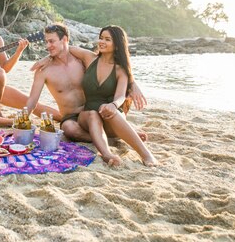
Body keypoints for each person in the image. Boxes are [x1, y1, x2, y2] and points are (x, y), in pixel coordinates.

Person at [25, 23, 158, 167]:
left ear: (64, 40)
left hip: (98, 111)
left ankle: (136, 146)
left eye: (51, 41)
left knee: (100, 113)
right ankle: (116, 140)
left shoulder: (82, 60)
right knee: (71, 127)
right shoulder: (46, 69)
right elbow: (32, 100)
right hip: (75, 117)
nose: (47, 45)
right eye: (46, 41)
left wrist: (133, 84)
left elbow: (113, 69)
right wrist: (21, 122)